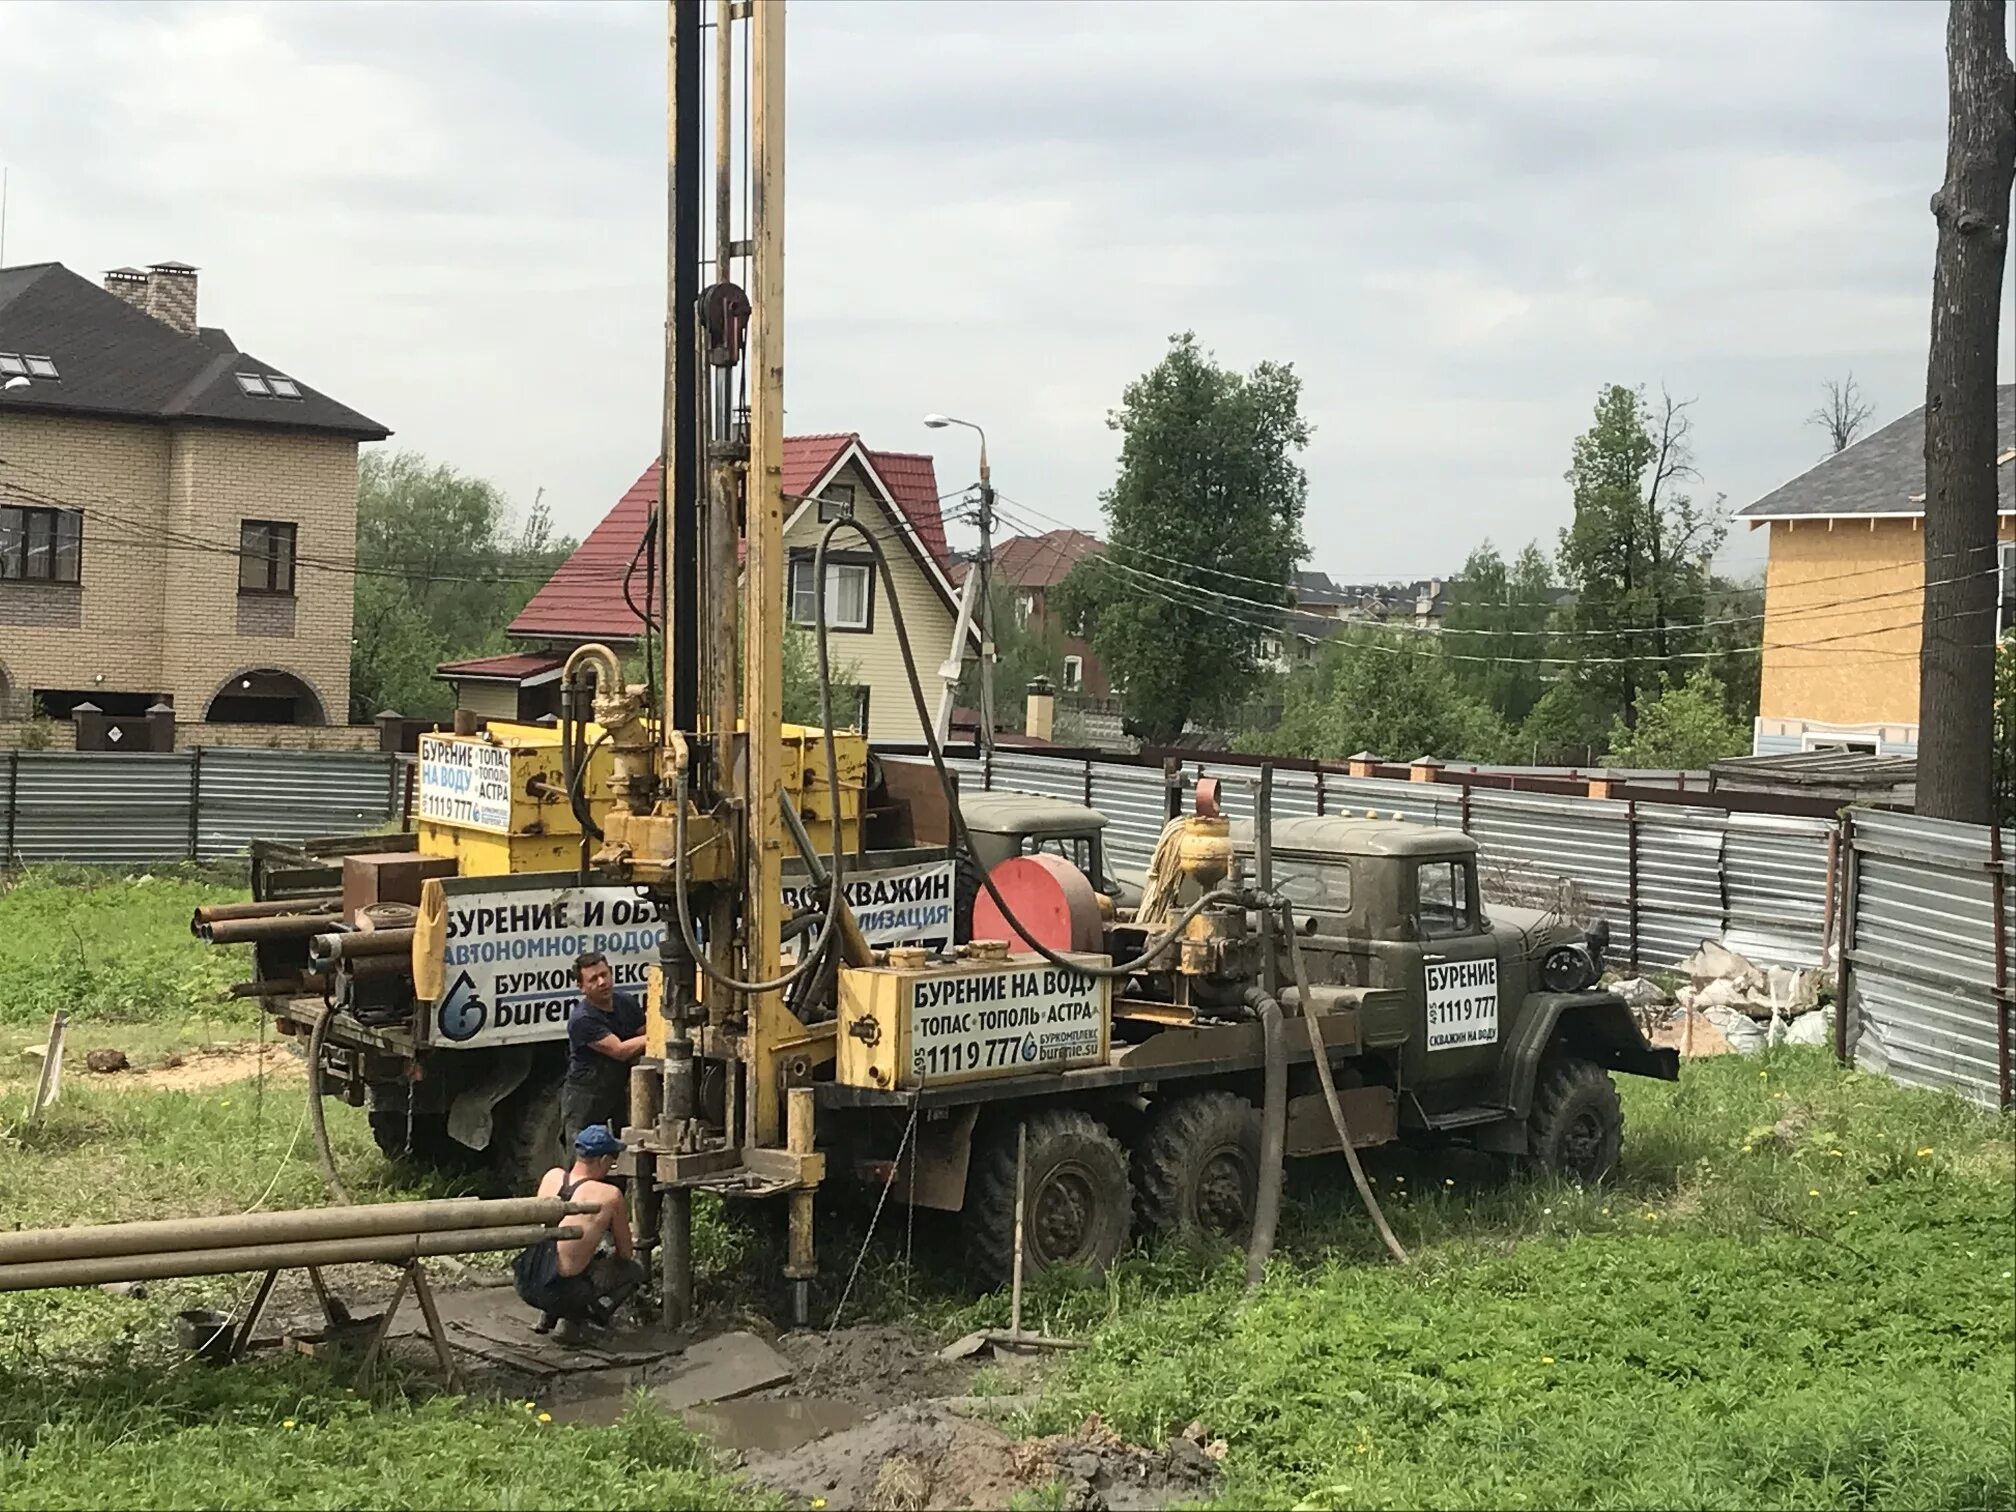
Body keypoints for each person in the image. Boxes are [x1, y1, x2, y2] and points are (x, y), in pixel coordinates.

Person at [513, 1126, 646, 1339]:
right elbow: (625, 1253)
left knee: (559, 1250)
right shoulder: (610, 1195)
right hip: (559, 1293)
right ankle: (578, 1321)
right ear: (602, 1160)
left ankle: (547, 1317)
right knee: (633, 1271)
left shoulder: (551, 1176)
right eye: (612, 1159)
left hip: (524, 1281)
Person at [561, 951, 646, 1148]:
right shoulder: (582, 1019)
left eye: (604, 975)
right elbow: (620, 1050)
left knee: (626, 1147)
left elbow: (643, 1031)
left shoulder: (626, 1002)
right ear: (581, 987)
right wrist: (656, 1036)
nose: (602, 982)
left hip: (617, 1090)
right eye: (593, 979)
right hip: (586, 1096)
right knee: (583, 1151)